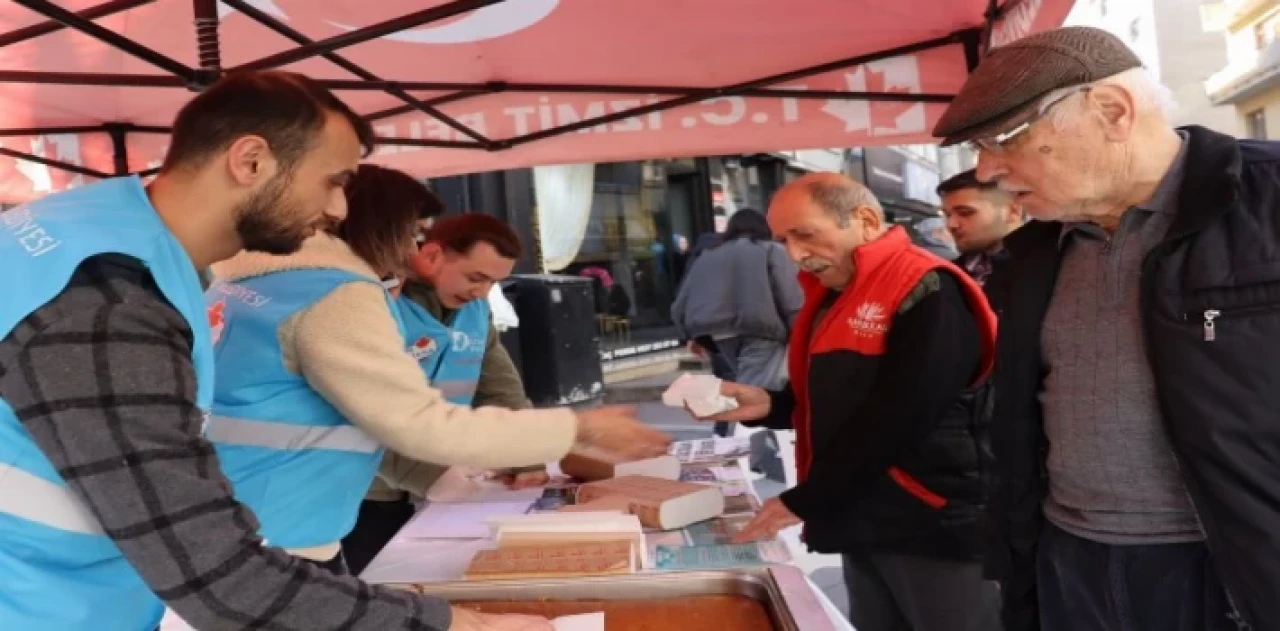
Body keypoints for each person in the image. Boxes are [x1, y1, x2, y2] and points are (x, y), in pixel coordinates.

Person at [0, 71, 550, 630]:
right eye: (333, 181)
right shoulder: (109, 305)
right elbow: (221, 577)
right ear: (251, 161)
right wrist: (464, 625)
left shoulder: (93, 232)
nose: (339, 209)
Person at [932, 25, 1280, 631]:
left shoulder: (1267, 201)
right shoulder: (1036, 251)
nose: (987, 170)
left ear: (1112, 111)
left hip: (1234, 571)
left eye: (1003, 139)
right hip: (1069, 563)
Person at [206, 167, 671, 575]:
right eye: (410, 233)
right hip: (289, 519)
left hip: (248, 514)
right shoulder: (338, 295)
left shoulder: (258, 282)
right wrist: (579, 429)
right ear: (380, 226)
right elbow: (407, 420)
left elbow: (485, 385)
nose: (413, 248)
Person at [700, 173, 1000, 631]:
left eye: (806, 234)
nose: (796, 254)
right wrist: (773, 405)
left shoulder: (928, 287)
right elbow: (845, 397)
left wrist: (809, 498)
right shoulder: (838, 291)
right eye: (784, 240)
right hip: (861, 512)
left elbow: (906, 412)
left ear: (864, 220)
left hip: (929, 521)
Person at [341, 212, 556, 574]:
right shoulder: (376, 303)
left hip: (441, 489)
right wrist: (427, 474)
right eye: (476, 277)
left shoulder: (475, 311)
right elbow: (354, 406)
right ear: (433, 256)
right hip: (368, 490)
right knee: (384, 591)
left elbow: (499, 386)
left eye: (493, 283)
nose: (481, 292)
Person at [672, 209, 802, 439]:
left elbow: (682, 298)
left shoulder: (709, 255)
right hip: (760, 329)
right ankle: (750, 449)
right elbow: (790, 295)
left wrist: (688, 334)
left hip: (715, 335)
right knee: (759, 392)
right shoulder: (771, 251)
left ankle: (727, 436)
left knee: (738, 386)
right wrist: (800, 330)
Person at [937, 168, 1024, 287]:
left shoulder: (1046, 267)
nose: (951, 224)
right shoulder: (946, 276)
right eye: (947, 215)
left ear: (1013, 212)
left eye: (965, 212)